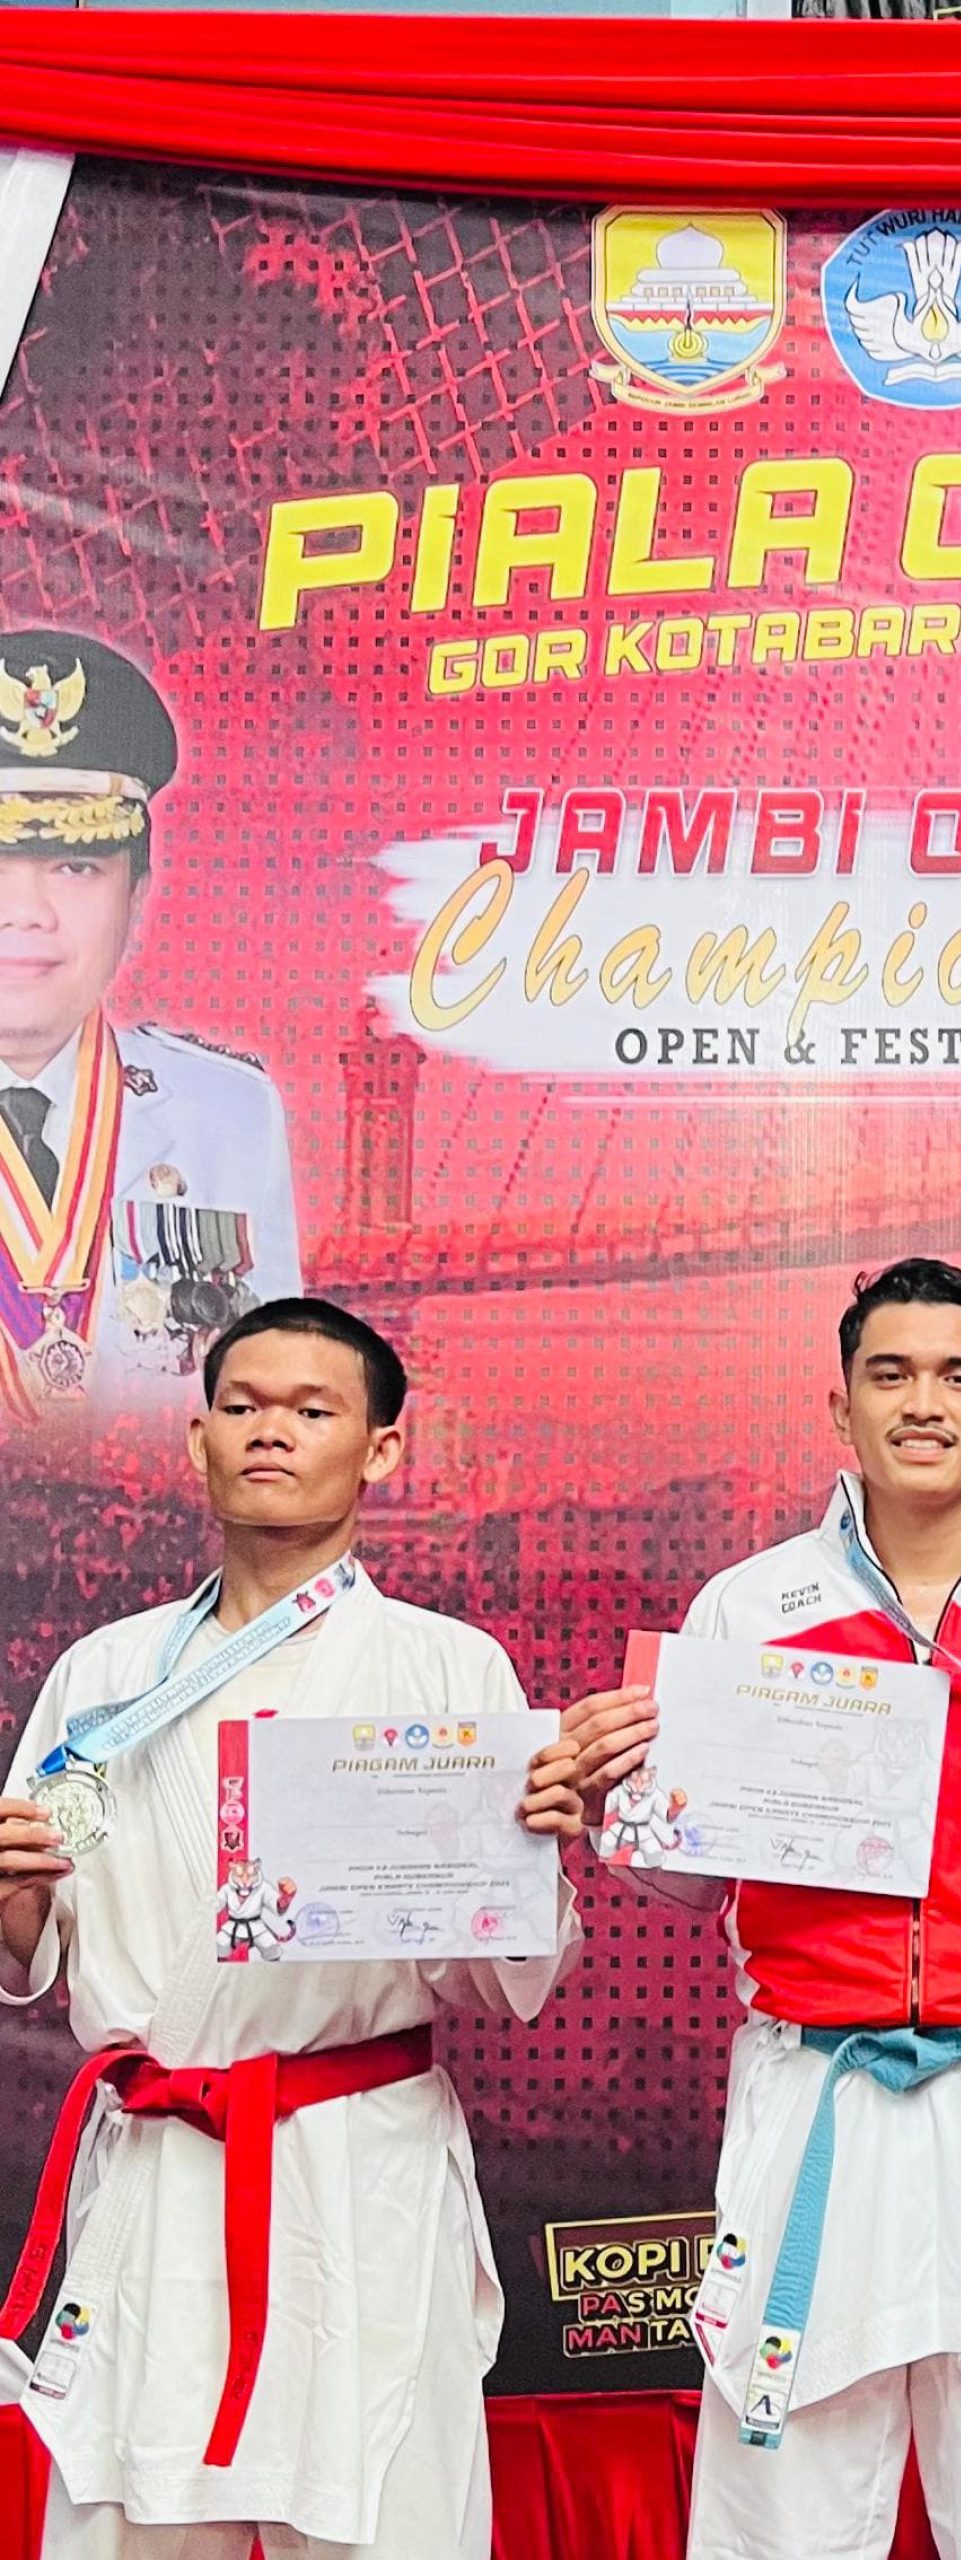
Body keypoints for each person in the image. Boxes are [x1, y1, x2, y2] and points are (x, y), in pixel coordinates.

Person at [554, 1257, 961, 2560]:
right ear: (841, 1408)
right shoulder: (750, 1605)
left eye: (959, 1376)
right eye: (890, 1375)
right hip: (814, 2084)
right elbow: (691, 1875)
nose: (923, 1403)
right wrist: (613, 1804)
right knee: (785, 2497)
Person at [0, 1295, 585, 2558]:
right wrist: (14, 1900)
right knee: (125, 2513)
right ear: (198, 1438)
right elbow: (31, 1947)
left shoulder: (449, 1671)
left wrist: (531, 1853)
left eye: (313, 1410)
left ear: (380, 1448)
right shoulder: (102, 1677)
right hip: (160, 2157)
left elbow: (502, 1974)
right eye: (243, 1406)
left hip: (354, 2160)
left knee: (390, 2515)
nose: (271, 1431)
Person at [0, 629, 300, 1424]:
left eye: (74, 867)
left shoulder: (227, 1115)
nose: (24, 912)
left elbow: (265, 1408)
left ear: (137, 898)